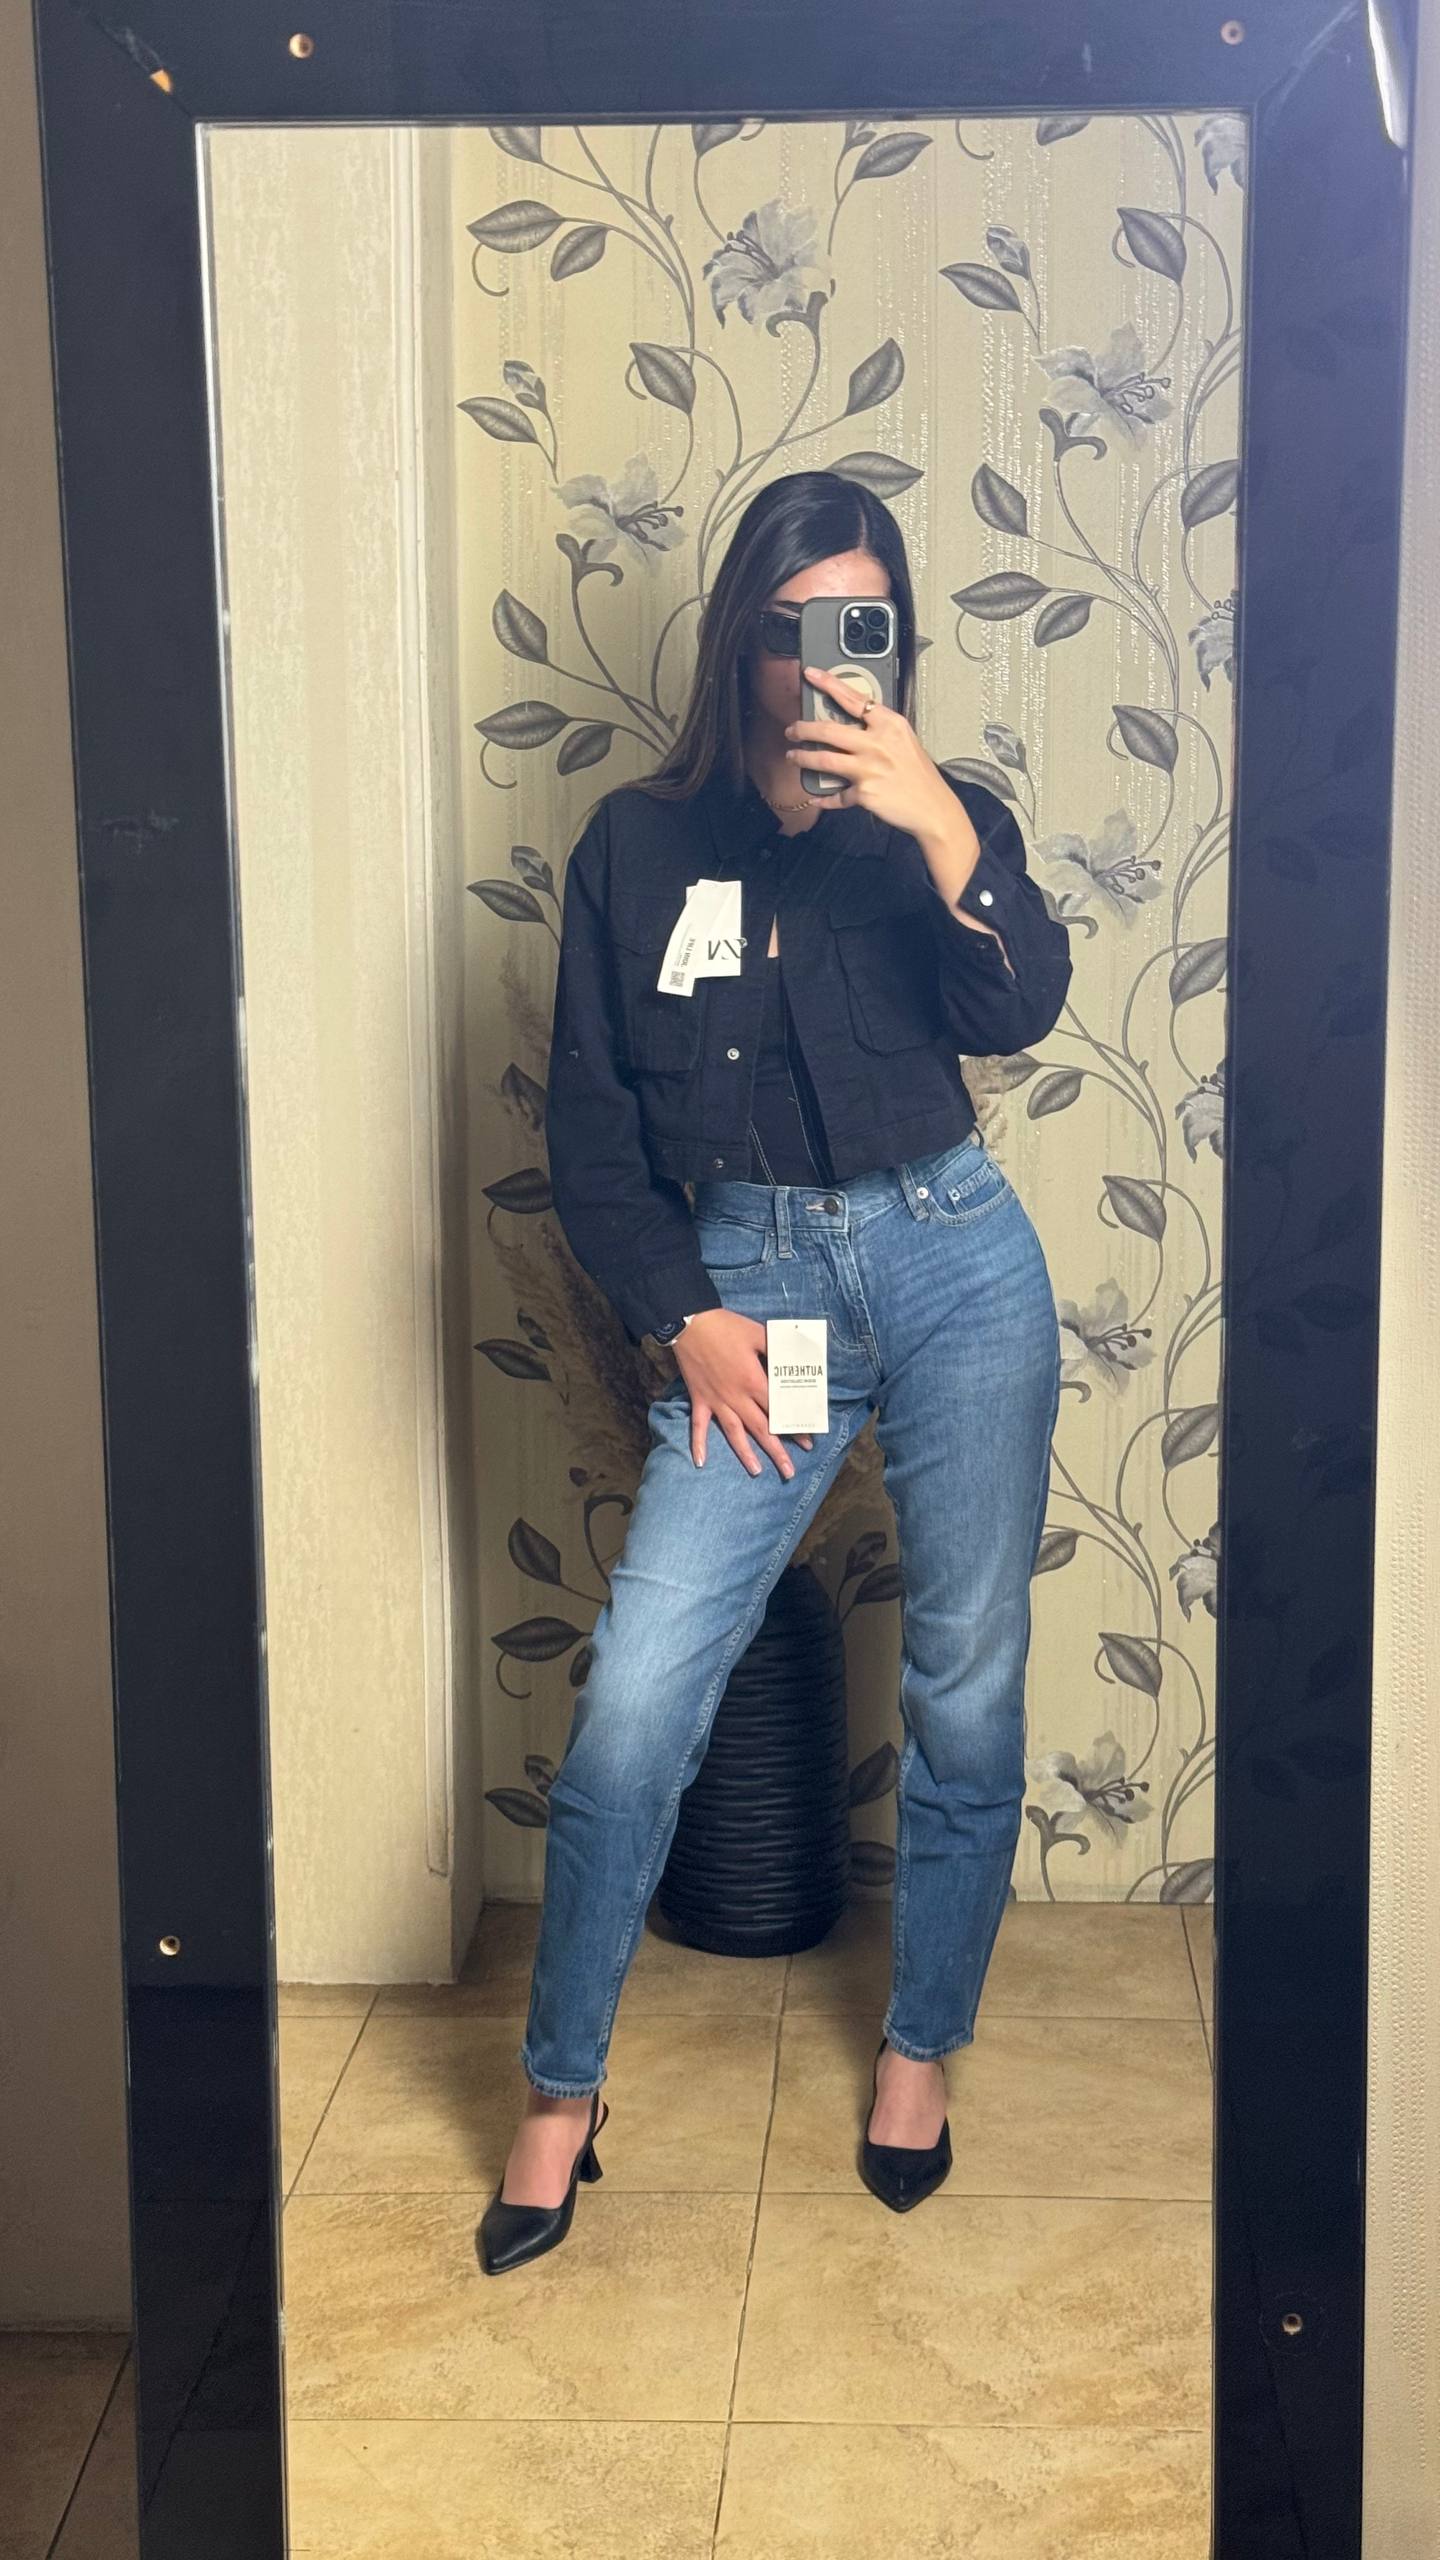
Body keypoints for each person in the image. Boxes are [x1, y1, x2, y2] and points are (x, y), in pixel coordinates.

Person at [477, 468, 1072, 2275]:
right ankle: (561, 2096)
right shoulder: (636, 848)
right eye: (798, 621)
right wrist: (685, 1316)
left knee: (965, 1679)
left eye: (861, 621)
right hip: (756, 1302)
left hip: (956, 1263)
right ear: (745, 633)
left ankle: (919, 2050)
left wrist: (940, 826)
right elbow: (594, 1142)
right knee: (643, 1698)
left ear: (895, 637)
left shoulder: (937, 820)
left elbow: (1019, 1004)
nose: (828, 658)